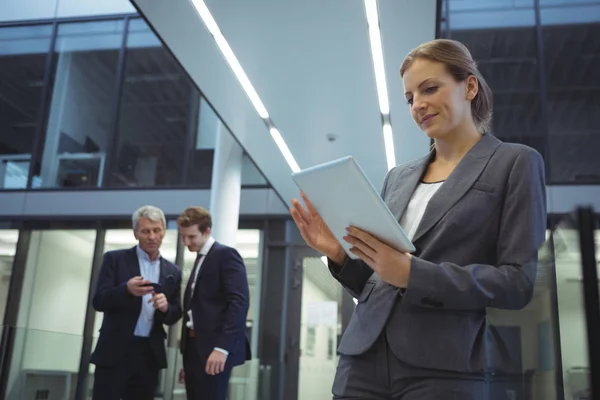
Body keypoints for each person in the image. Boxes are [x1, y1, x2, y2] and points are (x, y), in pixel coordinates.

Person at [290, 39, 546, 400]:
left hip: (443, 363)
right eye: (410, 98)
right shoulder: (398, 176)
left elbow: (518, 282)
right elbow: (379, 283)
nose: (418, 105)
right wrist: (340, 255)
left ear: (469, 86)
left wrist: (413, 274)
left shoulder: (515, 162)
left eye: (429, 89)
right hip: (362, 358)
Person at [90, 205, 182, 399]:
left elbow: (175, 313)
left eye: (157, 230)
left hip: (149, 355)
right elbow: (99, 301)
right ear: (135, 233)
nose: (152, 236)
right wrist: (126, 290)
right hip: (115, 351)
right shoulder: (114, 259)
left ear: (164, 231)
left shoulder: (172, 271)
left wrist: (166, 308)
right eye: (145, 231)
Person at [176, 206, 251, 400]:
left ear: (207, 231)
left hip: (215, 348)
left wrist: (222, 348)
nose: (186, 242)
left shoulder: (226, 255)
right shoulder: (200, 259)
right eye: (183, 236)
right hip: (194, 348)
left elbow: (239, 303)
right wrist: (190, 361)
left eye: (191, 237)